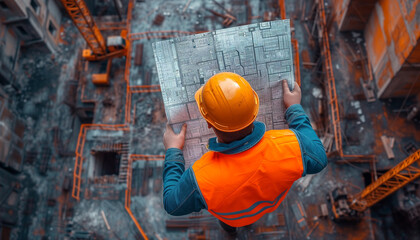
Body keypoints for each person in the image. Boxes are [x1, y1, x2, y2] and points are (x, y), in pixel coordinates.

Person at [162, 72, 327, 235]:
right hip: (267, 205)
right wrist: (294, 109)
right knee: (252, 217)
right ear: (254, 112)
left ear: (208, 123)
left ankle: (231, 232)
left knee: (228, 224)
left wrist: (173, 151)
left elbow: (172, 204)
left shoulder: (200, 178)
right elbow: (319, 158)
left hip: (231, 217)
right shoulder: (289, 146)